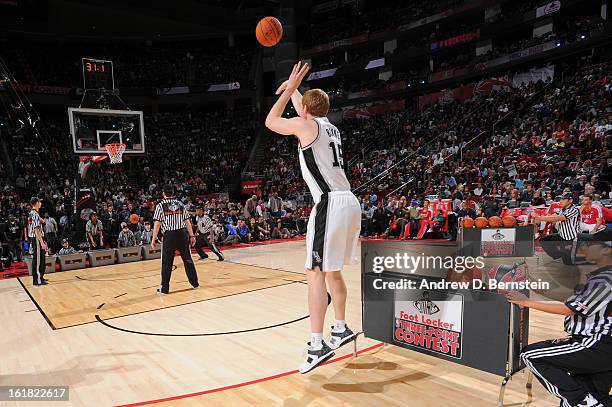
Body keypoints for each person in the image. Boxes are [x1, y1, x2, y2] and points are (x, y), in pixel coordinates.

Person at [266, 61, 361, 373]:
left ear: (305, 108)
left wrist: (290, 90)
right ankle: (341, 327)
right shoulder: (328, 126)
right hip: (349, 201)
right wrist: (297, 92)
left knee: (314, 273)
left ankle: (316, 344)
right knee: (332, 271)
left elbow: (271, 121)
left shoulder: (305, 125)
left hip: (329, 204)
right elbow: (305, 109)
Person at [506, 240, 611, 407]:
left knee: (530, 355)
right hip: (597, 343)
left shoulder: (606, 279)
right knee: (596, 395)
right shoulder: (600, 276)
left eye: (590, 244)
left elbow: (572, 308)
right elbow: (571, 296)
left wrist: (527, 302)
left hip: (596, 343)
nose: (584, 248)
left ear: (606, 250)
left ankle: (582, 402)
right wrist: (537, 287)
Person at [151, 185, 199, 294]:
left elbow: (157, 223)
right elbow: (187, 221)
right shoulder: (180, 204)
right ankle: (195, 283)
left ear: (163, 193)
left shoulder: (160, 205)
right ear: (173, 193)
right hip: (182, 234)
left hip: (169, 236)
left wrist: (154, 238)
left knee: (167, 263)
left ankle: (165, 289)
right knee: (187, 259)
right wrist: (192, 235)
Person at [533, 192, 580, 265]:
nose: (561, 201)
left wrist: (539, 217)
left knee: (568, 263)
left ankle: (578, 259)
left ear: (570, 200)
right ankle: (558, 255)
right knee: (544, 240)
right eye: (561, 199)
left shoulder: (574, 210)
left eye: (564, 199)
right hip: (561, 235)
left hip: (571, 238)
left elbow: (557, 218)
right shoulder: (562, 209)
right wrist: (539, 217)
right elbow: (553, 215)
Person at [27, 197, 48, 286]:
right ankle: (37, 280)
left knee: (41, 258)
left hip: (36, 238)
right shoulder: (34, 214)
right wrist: (42, 242)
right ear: (36, 203)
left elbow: (39, 221)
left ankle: (40, 276)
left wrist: (42, 220)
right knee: (38, 260)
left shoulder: (33, 213)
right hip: (36, 238)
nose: (41, 203)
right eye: (39, 202)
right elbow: (36, 230)